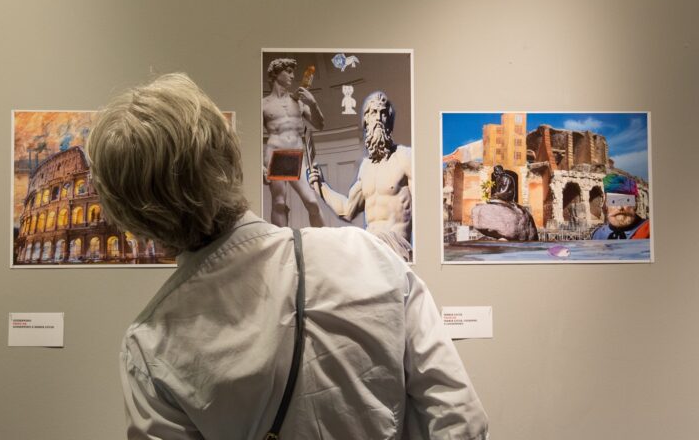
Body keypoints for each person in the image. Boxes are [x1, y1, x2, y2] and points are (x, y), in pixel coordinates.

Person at [86, 73, 489, 440]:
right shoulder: (366, 255)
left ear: (130, 219)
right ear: (229, 157)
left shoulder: (152, 346)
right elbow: (461, 421)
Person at [309, 91, 414, 261]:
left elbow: (424, 209)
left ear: (390, 120)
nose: (379, 118)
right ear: (366, 121)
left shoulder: (405, 157)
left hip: (395, 251)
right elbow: (347, 210)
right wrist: (321, 186)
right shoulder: (366, 167)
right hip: (370, 249)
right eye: (373, 112)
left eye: (383, 113)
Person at [263, 58, 325, 227]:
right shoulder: (264, 104)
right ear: (276, 73)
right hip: (275, 154)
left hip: (296, 155)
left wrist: (313, 103)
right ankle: (283, 243)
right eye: (288, 71)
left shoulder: (298, 101)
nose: (292, 75)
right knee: (279, 203)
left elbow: (319, 125)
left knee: (312, 202)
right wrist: (260, 165)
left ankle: (323, 241)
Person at [591, 173, 650, 240]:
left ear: (635, 204)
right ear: (605, 204)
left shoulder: (649, 230)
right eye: (613, 201)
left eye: (626, 200)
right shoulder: (598, 235)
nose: (619, 207)